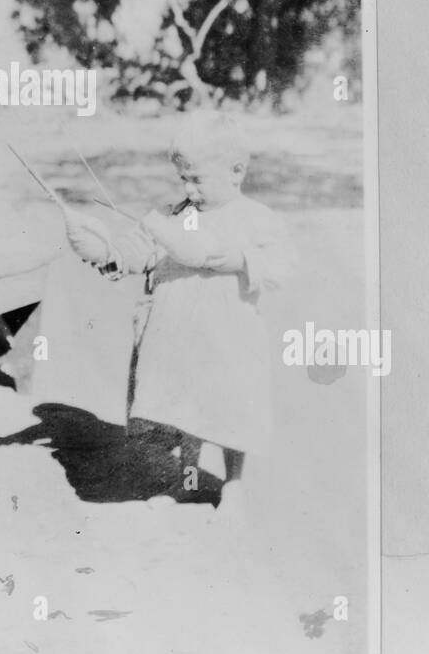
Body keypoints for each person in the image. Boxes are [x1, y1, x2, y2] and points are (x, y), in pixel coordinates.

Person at [65, 112, 294, 508]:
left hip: (227, 334)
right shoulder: (175, 217)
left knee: (228, 408)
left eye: (197, 179)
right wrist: (105, 254)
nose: (188, 188)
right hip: (179, 335)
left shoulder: (254, 219)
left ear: (235, 171)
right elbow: (140, 254)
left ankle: (233, 482)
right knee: (187, 410)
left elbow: (281, 266)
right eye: (183, 178)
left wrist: (242, 260)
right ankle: (185, 480)